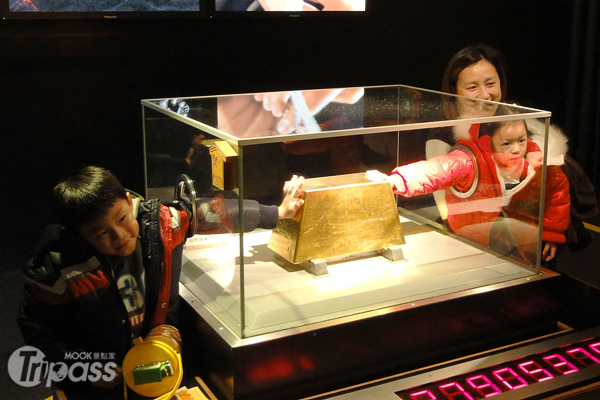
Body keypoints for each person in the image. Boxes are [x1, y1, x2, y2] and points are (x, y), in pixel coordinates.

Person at [17, 166, 305, 399]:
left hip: (156, 363)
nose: (120, 236)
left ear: (129, 202)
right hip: (99, 379)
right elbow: (39, 332)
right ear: (81, 236)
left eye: (121, 218)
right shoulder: (56, 266)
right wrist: (86, 366)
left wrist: (277, 213)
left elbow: (213, 212)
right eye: (101, 234)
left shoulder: (162, 222)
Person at [428, 44, 597, 253]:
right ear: (454, 90)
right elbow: (448, 209)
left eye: (490, 83)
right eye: (472, 87)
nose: (484, 95)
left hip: (537, 238)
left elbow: (557, 184)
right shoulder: (443, 137)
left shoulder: (518, 121)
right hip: (480, 239)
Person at [368, 113, 571, 265]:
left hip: (521, 245)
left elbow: (558, 191)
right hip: (469, 242)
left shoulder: (539, 163)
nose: (516, 149)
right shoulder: (470, 160)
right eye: (506, 143)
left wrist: (551, 233)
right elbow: (437, 170)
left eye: (522, 140)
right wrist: (396, 181)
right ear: (489, 141)